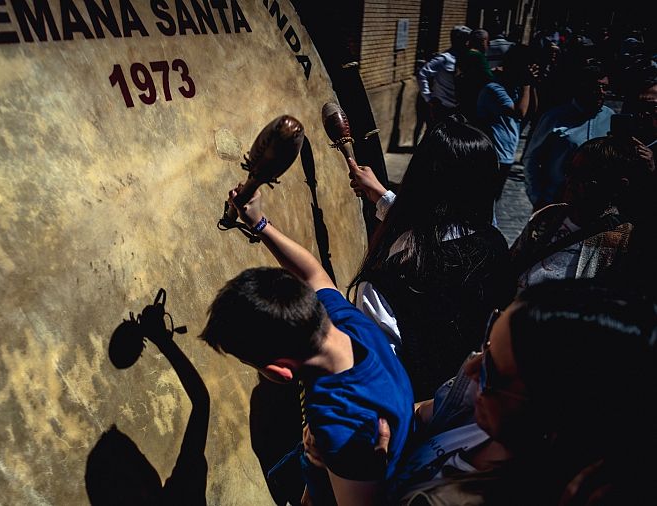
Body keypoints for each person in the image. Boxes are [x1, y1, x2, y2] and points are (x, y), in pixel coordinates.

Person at [202, 190, 415, 505]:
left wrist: (315, 468)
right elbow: (312, 272)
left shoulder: (339, 424)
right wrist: (259, 223)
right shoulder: (346, 325)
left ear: (280, 369)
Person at [396, 279, 657, 505]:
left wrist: (366, 475)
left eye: (492, 372)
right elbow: (423, 411)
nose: (472, 369)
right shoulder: (485, 409)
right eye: (488, 343)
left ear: (553, 413)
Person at [346, 116, 508, 400]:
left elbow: (377, 375)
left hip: (415, 421)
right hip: (477, 409)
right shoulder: (495, 245)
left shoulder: (393, 278)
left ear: (419, 179)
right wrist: (382, 197)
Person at [508, 136, 648, 297]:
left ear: (618, 186)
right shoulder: (548, 216)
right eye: (569, 171)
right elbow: (512, 265)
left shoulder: (622, 240)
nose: (570, 180)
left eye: (585, 177)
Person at [522, 63, 614, 210]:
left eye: (605, 87)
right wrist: (537, 197)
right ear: (582, 87)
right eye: (596, 87)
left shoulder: (610, 117)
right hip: (555, 202)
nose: (601, 92)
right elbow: (531, 158)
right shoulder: (554, 117)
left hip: (594, 206)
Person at [477, 44, 537, 199]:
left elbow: (532, 111)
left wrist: (532, 84)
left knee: (493, 199)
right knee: (484, 199)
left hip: (505, 153)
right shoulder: (494, 89)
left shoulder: (514, 89)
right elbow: (520, 113)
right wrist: (527, 84)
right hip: (492, 155)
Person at [417, 26, 472, 124]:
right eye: (465, 40)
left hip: (461, 109)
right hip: (443, 108)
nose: (467, 43)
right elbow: (423, 73)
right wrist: (428, 98)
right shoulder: (444, 59)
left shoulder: (468, 58)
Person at [456, 29, 494, 125]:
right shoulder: (478, 57)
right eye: (487, 40)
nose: (488, 44)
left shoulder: (463, 54)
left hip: (463, 98)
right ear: (482, 41)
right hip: (476, 100)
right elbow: (489, 78)